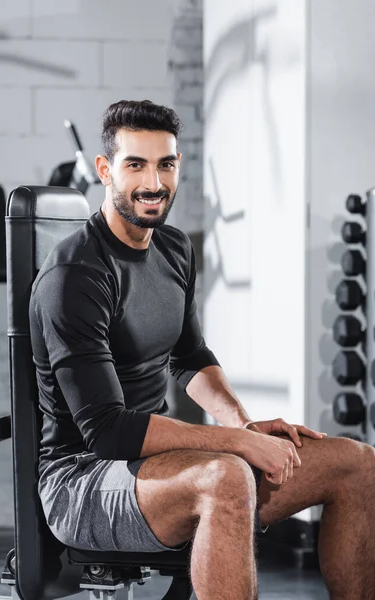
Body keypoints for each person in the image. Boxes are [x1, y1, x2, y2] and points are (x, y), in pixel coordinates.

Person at [29, 100, 375, 600]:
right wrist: (237, 445)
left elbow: (189, 356)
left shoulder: (172, 248)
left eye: (165, 164)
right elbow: (107, 432)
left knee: (356, 463)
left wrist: (241, 423)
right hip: (79, 481)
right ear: (105, 171)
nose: (154, 182)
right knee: (226, 476)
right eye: (136, 165)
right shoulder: (75, 274)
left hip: (158, 465)